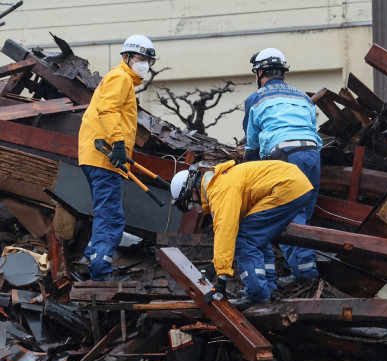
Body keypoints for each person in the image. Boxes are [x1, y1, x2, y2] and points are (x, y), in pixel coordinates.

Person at [170, 160, 314, 309]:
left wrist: (221, 279)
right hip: (294, 183)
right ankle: (269, 288)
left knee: (245, 239)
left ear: (193, 191)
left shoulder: (220, 190)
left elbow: (225, 232)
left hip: (286, 186)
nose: (194, 207)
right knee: (257, 237)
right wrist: (215, 265)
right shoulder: (220, 182)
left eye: (191, 202)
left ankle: (257, 294)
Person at [77, 34, 156, 281]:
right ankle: (101, 270)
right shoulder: (120, 77)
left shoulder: (120, 80)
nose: (144, 64)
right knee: (111, 216)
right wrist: (119, 145)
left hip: (98, 156)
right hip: (104, 156)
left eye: (148, 60)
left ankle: (93, 258)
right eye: (141, 58)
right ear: (126, 57)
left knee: (105, 213)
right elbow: (108, 110)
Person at [243, 47, 322, 290]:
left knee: (287, 216)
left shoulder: (256, 99)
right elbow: (312, 126)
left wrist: (249, 170)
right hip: (312, 154)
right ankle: (307, 270)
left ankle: (303, 274)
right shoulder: (303, 97)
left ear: (260, 72)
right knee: (305, 213)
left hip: (284, 156)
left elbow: (252, 142)